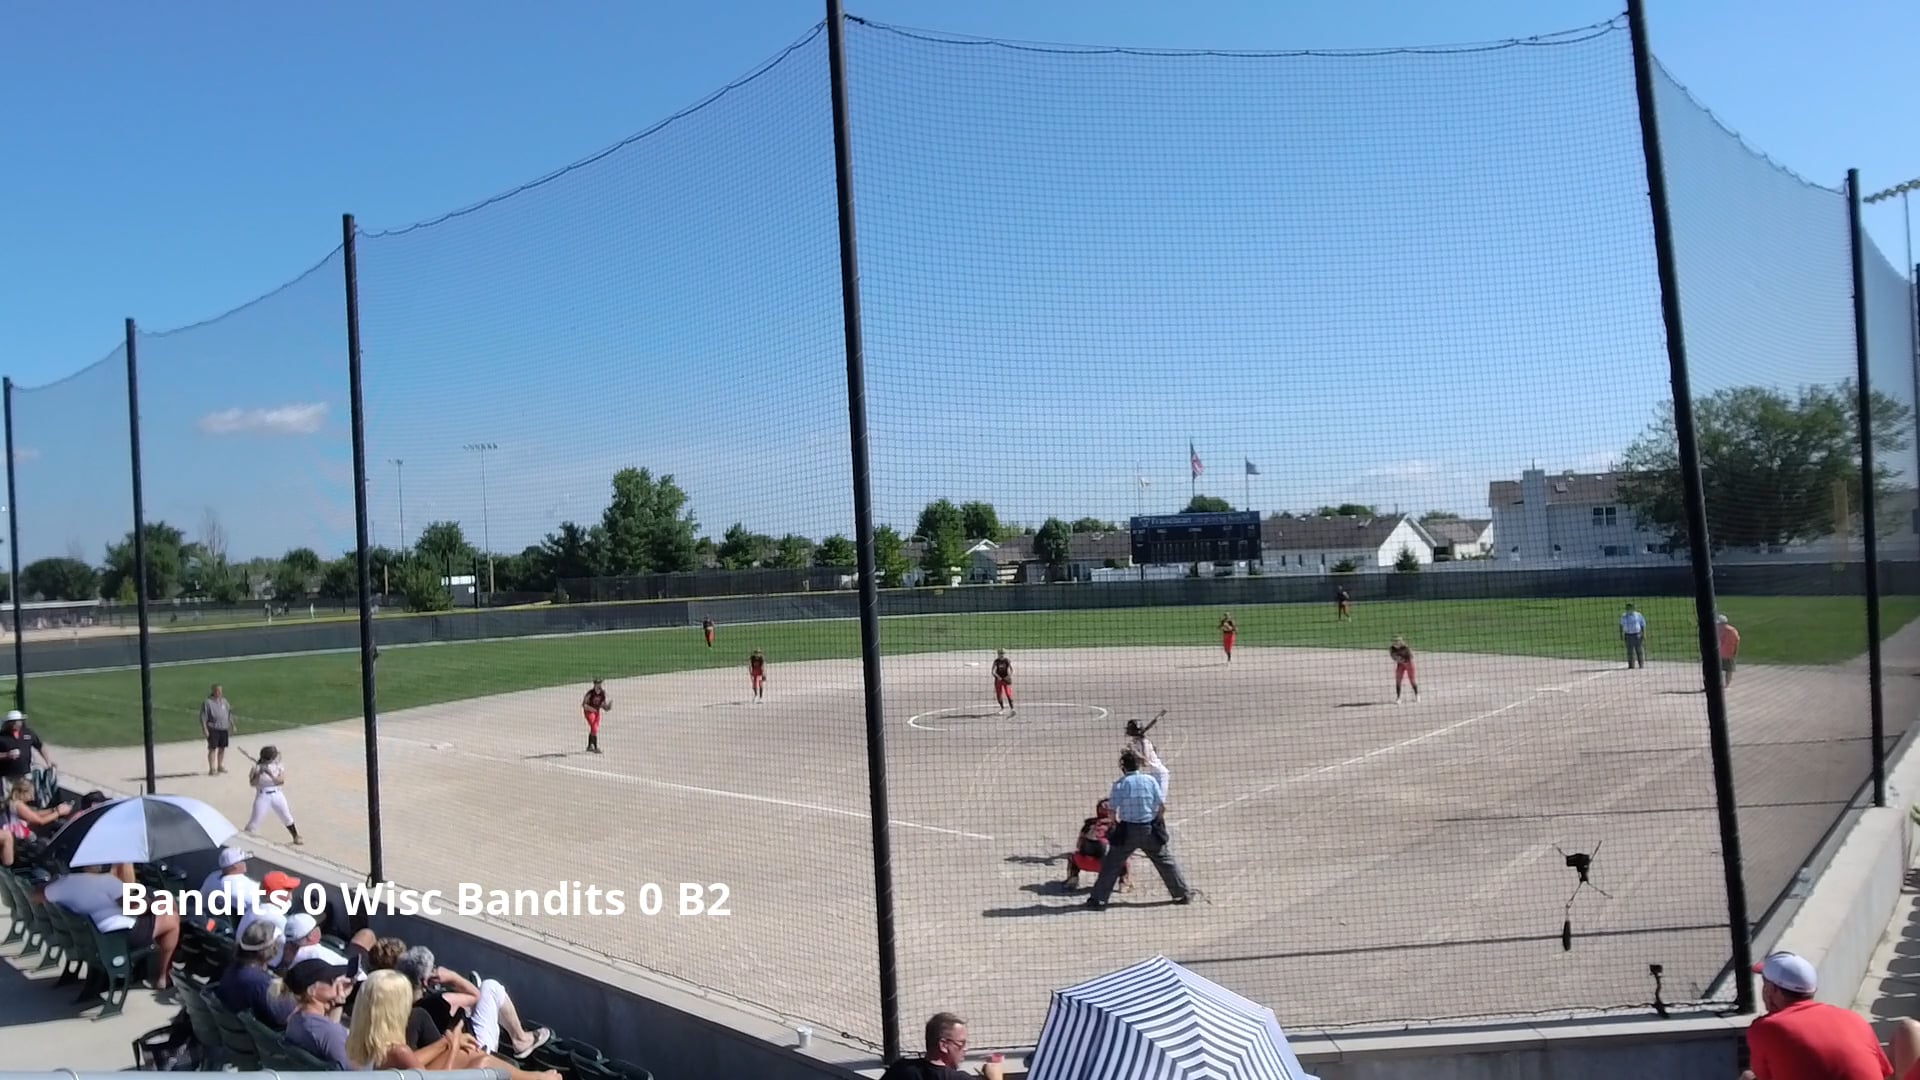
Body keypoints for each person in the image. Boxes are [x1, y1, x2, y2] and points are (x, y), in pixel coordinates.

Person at [1739, 951, 1889, 1080]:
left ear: (1771, 989)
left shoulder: (1766, 1028)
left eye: (1765, 983)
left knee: (1747, 1077)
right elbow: (1885, 1073)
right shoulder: (1853, 1019)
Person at [395, 945, 552, 1059]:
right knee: (490, 987)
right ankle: (521, 1039)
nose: (436, 970)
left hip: (453, 1053)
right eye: (433, 969)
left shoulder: (401, 1005)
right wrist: (452, 977)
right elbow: (475, 996)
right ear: (425, 981)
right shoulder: (438, 1002)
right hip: (475, 1053)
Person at [40, 862, 180, 990]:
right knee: (172, 918)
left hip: (92, 939)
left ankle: (156, 970)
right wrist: (152, 902)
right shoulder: (107, 882)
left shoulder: (64, 883)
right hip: (117, 938)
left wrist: (51, 883)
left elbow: (35, 896)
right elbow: (134, 908)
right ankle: (163, 977)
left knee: (163, 910)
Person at [1086, 750, 1191, 909]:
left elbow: (1112, 811)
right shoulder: (1150, 780)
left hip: (1128, 830)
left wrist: (1115, 827)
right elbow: (1161, 806)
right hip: (1149, 828)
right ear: (1138, 765)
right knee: (1165, 861)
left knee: (1111, 864)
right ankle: (1182, 894)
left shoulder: (1120, 784)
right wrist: (1157, 822)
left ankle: (1098, 900)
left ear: (1123, 766)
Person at [214, 919, 296, 1028]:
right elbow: (288, 1017)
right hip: (253, 1035)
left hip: (233, 1029)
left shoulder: (232, 968)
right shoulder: (261, 983)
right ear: (269, 948)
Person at [879, 1012, 1005, 1080]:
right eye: (961, 1043)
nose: (965, 1049)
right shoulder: (959, 1078)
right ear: (943, 1046)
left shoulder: (901, 1069)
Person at [282, 957, 358, 1068]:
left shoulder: (296, 1019)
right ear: (312, 991)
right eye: (331, 980)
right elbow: (350, 1070)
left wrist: (339, 1002)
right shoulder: (329, 1033)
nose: (337, 983)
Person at [2, 776, 71, 867]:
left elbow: (34, 814)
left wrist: (54, 810)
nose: (32, 797)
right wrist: (58, 813)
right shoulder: (18, 805)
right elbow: (40, 821)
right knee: (43, 846)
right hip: (17, 839)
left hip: (15, 836)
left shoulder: (14, 802)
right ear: (23, 792)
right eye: (30, 794)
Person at [1064, 800, 1128, 893]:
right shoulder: (1117, 826)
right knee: (1126, 858)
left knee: (1072, 856)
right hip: (1108, 865)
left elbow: (1079, 845)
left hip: (1084, 862)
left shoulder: (1089, 824)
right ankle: (1124, 883)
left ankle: (1072, 880)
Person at [244, 745, 303, 845]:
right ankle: (245, 838)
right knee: (255, 821)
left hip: (277, 794)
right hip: (262, 796)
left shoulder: (279, 766)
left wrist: (270, 774)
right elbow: (252, 783)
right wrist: (259, 773)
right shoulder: (256, 768)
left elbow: (280, 781)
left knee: (286, 816)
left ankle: (296, 836)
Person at [0, 711, 56, 799]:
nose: (16, 723)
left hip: (25, 773)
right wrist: (7, 755)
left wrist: (48, 762)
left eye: (18, 721)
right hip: (7, 775)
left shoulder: (28, 733)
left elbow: (40, 746)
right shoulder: (2, 737)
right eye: (13, 722)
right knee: (8, 799)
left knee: (25, 797)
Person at [1124, 717, 1169, 798]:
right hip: (1148, 775)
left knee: (1159, 801)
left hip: (1159, 774)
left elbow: (1145, 762)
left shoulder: (1145, 742)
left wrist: (1134, 751)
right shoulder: (1136, 742)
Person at [202, 684, 236, 776]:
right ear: (213, 691)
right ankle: (212, 768)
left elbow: (229, 714)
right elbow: (203, 717)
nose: (220, 692)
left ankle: (220, 766)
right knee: (212, 748)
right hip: (213, 728)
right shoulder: (207, 702)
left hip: (224, 728)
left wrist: (233, 725)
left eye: (220, 691)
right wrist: (205, 729)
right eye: (217, 691)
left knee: (222, 748)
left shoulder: (224, 701)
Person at [581, 679, 610, 754]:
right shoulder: (590, 693)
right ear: (594, 684)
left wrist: (607, 707)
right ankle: (595, 747)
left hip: (597, 713)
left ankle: (589, 746)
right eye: (597, 683)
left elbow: (602, 704)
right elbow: (584, 705)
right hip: (589, 712)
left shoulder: (602, 693)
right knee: (594, 727)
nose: (598, 685)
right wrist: (592, 709)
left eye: (600, 683)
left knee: (594, 728)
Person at [1390, 636, 1419, 704]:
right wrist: (1399, 659)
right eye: (1395, 641)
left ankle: (1417, 695)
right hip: (1400, 665)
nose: (1396, 643)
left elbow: (1411, 657)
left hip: (1409, 664)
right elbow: (1393, 657)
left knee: (1412, 680)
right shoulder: (1392, 649)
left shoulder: (1406, 648)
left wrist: (1402, 659)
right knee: (1398, 680)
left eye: (1397, 641)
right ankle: (1398, 698)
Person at [1717, 614, 1741, 688]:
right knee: (1729, 670)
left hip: (1721, 654)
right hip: (1729, 654)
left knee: (1719, 670)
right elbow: (1737, 642)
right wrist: (1735, 652)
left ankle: (1721, 684)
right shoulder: (1733, 630)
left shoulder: (1718, 631)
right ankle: (1726, 685)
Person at [1621, 604, 1647, 670]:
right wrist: (1621, 634)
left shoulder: (1638, 615)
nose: (1628, 610)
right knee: (1630, 651)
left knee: (1639, 650)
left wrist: (1644, 634)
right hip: (1628, 635)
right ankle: (1631, 665)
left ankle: (1641, 664)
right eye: (1627, 608)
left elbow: (1643, 624)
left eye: (1629, 608)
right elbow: (1621, 625)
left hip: (1637, 635)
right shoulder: (1624, 616)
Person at [991, 650, 1014, 715]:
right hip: (998, 680)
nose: (1002, 655)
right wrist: (998, 677)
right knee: (999, 694)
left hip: (1005, 679)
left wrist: (1008, 676)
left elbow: (1011, 670)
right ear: (998, 654)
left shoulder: (1007, 660)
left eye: (1003, 653)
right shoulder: (996, 661)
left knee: (1008, 694)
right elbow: (993, 671)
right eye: (1000, 654)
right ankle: (1002, 708)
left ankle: (1012, 709)